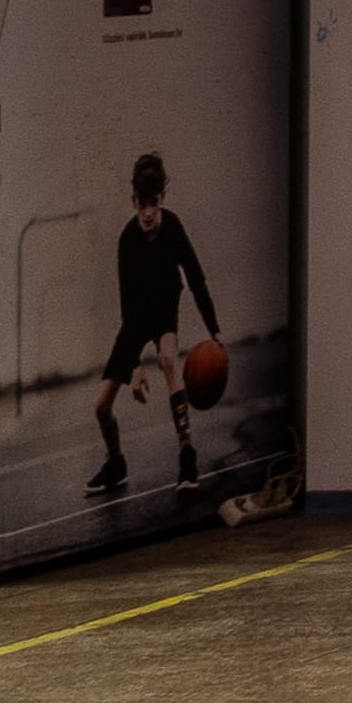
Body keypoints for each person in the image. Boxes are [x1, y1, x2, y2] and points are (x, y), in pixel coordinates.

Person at [87, 151, 219, 499]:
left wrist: (214, 329)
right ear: (133, 200)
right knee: (101, 407)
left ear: (163, 198)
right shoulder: (127, 240)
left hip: (163, 308)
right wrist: (134, 369)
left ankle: (187, 456)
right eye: (142, 203)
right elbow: (127, 307)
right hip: (135, 317)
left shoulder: (172, 226)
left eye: (154, 203)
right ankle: (116, 463)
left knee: (168, 359)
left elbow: (196, 278)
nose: (148, 212)